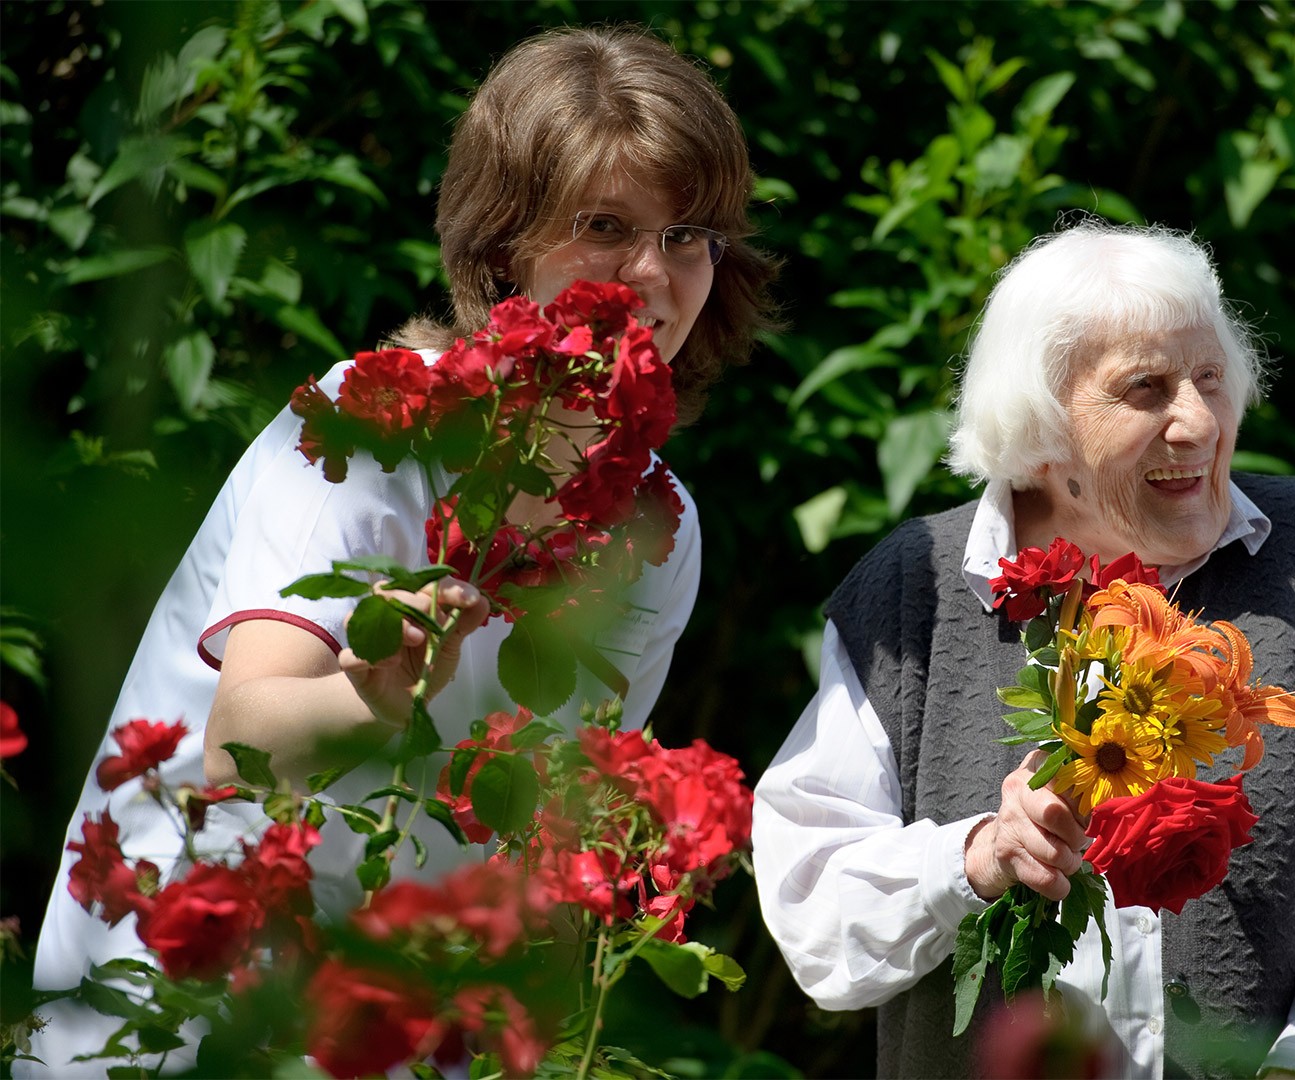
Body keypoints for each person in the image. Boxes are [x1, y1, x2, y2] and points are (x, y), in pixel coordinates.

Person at [27, 27, 775, 1075]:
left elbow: (550, 826)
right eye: (605, 226)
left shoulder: (660, 529)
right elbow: (243, 742)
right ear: (505, 242)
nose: (654, 273)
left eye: (690, 235)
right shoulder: (373, 427)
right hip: (189, 998)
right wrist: (373, 697)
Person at [753, 221, 1295, 1080]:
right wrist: (973, 857)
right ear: (1042, 428)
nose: (1197, 422)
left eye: (1209, 379)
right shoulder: (919, 590)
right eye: (1145, 390)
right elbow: (813, 901)